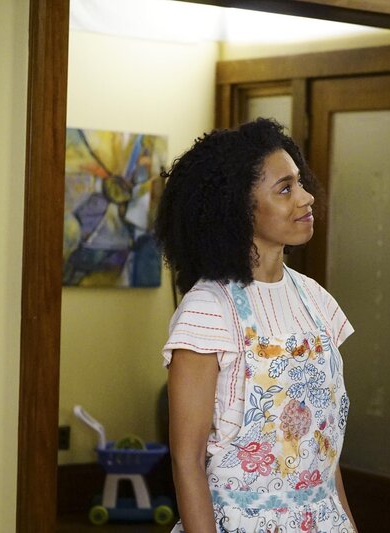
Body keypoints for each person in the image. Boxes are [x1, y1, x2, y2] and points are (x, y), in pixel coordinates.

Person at [155, 118, 357, 533]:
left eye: (300, 183)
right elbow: (186, 461)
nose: (306, 197)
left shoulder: (316, 300)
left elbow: (324, 453)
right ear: (238, 210)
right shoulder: (208, 310)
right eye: (285, 189)